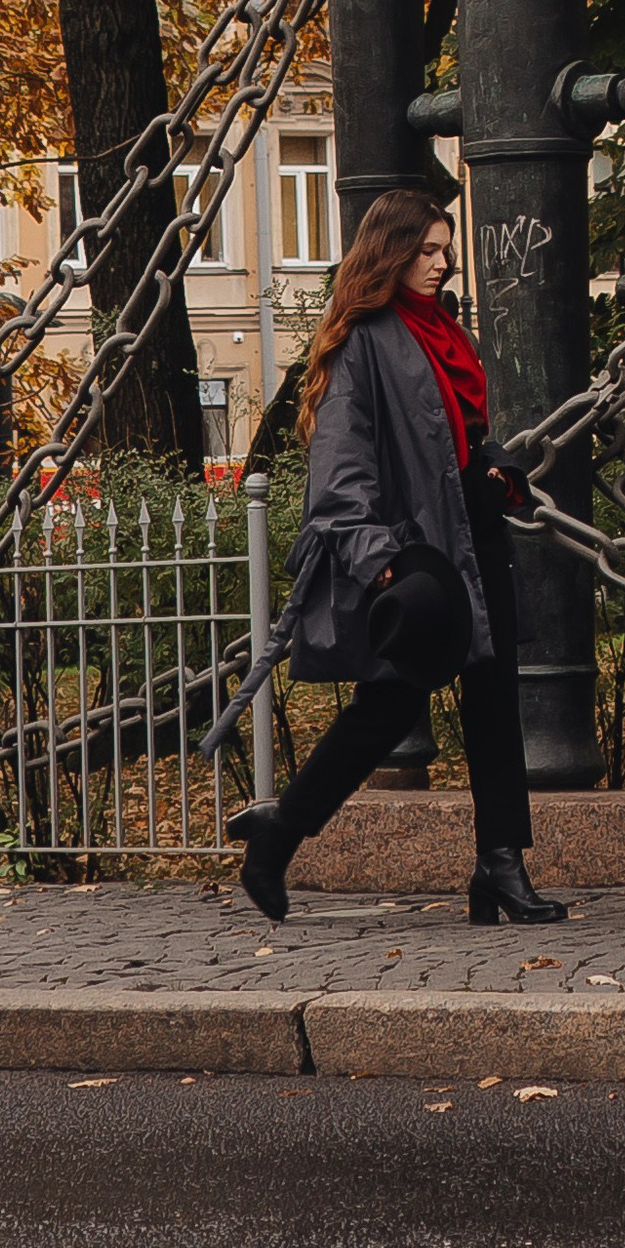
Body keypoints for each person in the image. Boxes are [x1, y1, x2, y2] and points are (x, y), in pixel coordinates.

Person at [232, 188, 565, 927]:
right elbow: (340, 469)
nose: (443, 264)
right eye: (429, 251)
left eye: (446, 251)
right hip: (417, 558)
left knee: (494, 702)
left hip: (474, 536)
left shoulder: (444, 333)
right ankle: (279, 834)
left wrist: (496, 468)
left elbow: (459, 439)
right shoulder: (364, 340)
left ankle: (500, 865)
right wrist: (380, 561)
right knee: (390, 706)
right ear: (391, 251)